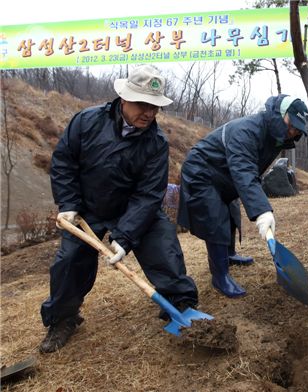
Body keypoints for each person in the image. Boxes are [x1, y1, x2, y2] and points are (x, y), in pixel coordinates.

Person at [39, 65, 199, 353]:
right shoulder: (87, 122)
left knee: (165, 248)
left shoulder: (156, 142)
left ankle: (180, 306)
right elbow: (64, 161)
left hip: (134, 209)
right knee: (70, 261)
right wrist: (69, 203)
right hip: (87, 206)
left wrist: (124, 237)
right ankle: (63, 319)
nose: (149, 113)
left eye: (155, 107)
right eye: (143, 104)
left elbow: (149, 194)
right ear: (124, 98)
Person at [178, 95, 308, 298]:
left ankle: (228, 255)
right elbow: (244, 169)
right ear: (281, 115)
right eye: (292, 125)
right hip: (201, 171)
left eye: (298, 129)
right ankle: (220, 276)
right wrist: (262, 210)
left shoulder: (275, 135)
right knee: (215, 218)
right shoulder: (247, 130)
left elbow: (249, 171)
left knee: (231, 214)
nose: (293, 132)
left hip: (224, 173)